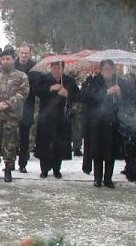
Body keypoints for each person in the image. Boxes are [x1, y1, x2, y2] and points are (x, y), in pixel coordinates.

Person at [0, 47, 29, 182]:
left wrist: (8, 103)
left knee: (10, 144)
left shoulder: (21, 76)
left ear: (14, 59)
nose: (5, 61)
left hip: (11, 117)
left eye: (8, 59)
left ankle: (8, 169)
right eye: (3, 59)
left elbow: (23, 93)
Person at [80, 60, 127, 188]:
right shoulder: (94, 81)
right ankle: (98, 178)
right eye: (105, 69)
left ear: (113, 69)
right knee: (98, 151)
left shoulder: (119, 82)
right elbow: (87, 97)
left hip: (113, 121)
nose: (107, 71)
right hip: (98, 121)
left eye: (109, 69)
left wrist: (120, 94)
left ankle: (108, 178)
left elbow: (128, 100)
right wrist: (107, 92)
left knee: (111, 151)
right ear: (101, 70)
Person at [35, 61, 80, 178]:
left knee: (59, 143)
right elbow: (36, 90)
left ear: (63, 69)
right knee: (45, 143)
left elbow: (78, 96)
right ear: (50, 68)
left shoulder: (69, 80)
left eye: (59, 68)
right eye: (54, 68)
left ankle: (56, 169)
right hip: (46, 116)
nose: (56, 70)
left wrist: (67, 94)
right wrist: (50, 88)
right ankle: (44, 169)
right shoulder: (44, 78)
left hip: (62, 116)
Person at [15, 43, 39, 173]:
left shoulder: (35, 68)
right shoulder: (12, 65)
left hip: (27, 105)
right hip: (12, 106)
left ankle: (22, 163)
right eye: (22, 53)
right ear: (18, 53)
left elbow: (38, 86)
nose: (24, 55)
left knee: (24, 136)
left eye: (26, 53)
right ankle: (9, 163)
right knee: (11, 136)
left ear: (30, 54)